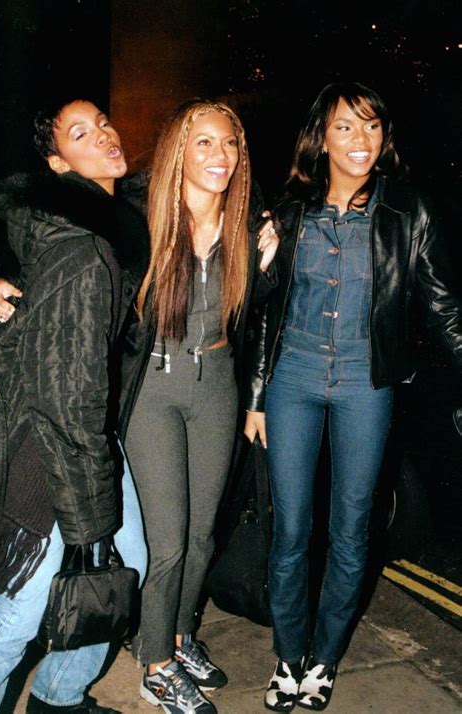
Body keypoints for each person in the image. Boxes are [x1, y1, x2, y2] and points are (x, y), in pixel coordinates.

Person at [244, 81, 462, 712]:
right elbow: (262, 312)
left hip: (367, 383)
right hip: (293, 379)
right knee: (290, 527)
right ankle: (289, 655)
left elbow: (443, 304)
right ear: (322, 137)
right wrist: (256, 395)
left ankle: (324, 658)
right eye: (345, 126)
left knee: (351, 526)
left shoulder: (408, 209)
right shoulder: (289, 210)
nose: (360, 139)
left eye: (371, 125)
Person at [0, 98, 148, 714]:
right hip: (50, 447)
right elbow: (65, 392)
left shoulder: (102, 226)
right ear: (58, 163)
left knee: (127, 564)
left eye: (103, 122)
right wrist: (87, 520)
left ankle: (59, 696)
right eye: (81, 134)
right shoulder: (82, 248)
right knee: (18, 615)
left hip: (85, 431)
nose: (104, 134)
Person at [118, 98, 278, 714]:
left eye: (230, 142)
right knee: (169, 542)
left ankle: (180, 636)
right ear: (179, 150)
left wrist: (269, 261)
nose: (220, 155)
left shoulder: (247, 226)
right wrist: (1, 280)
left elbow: (259, 314)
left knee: (203, 535)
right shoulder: (140, 216)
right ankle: (155, 662)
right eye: (204, 142)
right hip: (154, 389)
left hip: (216, 385)